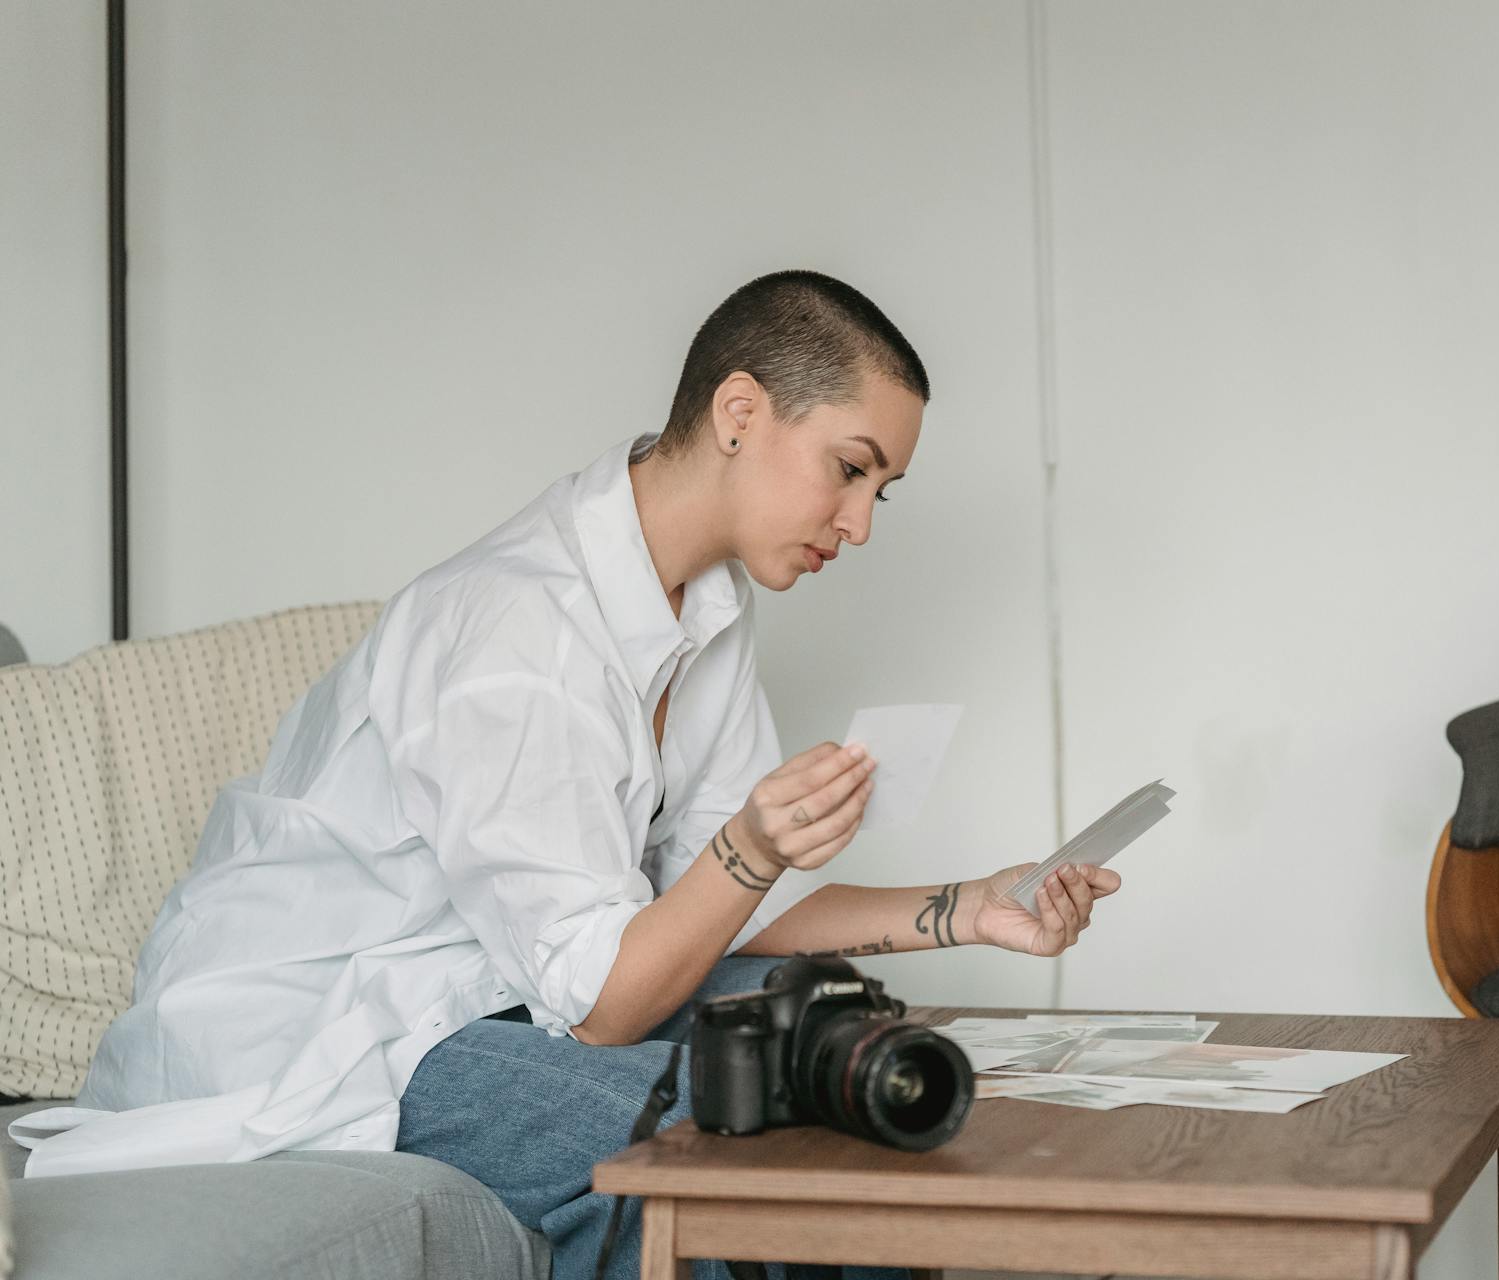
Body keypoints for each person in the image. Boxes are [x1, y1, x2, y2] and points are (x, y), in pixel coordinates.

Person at [8, 270, 1121, 1280]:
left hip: (489, 992)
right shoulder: (517, 629)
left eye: (882, 489)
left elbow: (726, 905)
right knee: (688, 1126)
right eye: (851, 469)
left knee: (823, 1037)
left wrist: (976, 906)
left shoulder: (707, 613)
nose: (862, 524)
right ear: (741, 413)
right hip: (334, 1018)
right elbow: (603, 1005)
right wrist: (754, 842)